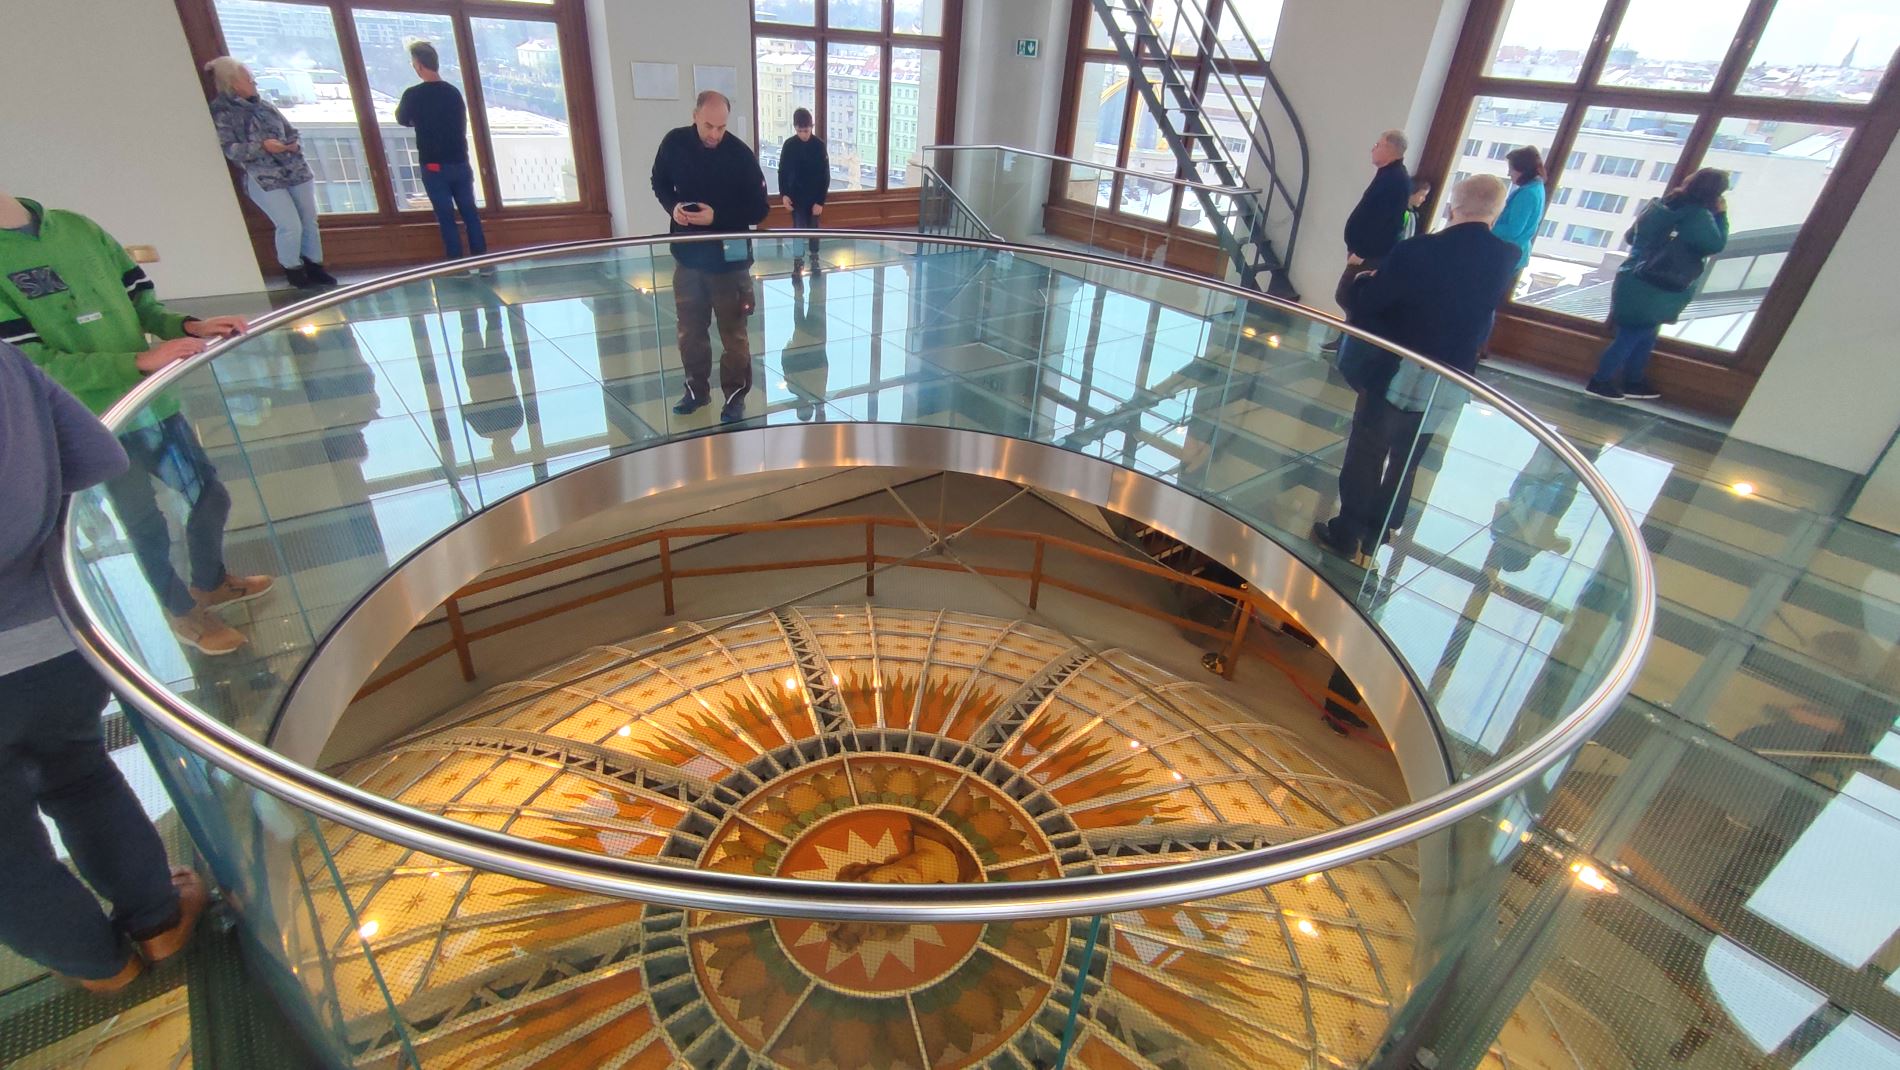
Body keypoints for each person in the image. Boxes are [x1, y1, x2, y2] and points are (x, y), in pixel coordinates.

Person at [0, 342, 208, 993]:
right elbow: (100, 458)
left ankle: (100, 964)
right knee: (80, 774)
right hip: (51, 634)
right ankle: (158, 922)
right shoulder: (5, 362)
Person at [0, 190, 271, 656]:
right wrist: (137, 362)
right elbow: (29, 363)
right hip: (94, 425)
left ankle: (210, 582)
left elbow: (140, 301)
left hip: (154, 406)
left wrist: (186, 326)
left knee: (208, 495)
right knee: (143, 524)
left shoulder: (78, 227)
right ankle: (180, 610)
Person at [1313, 175, 1519, 567]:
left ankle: (1347, 533)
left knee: (1367, 451)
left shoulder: (1417, 250)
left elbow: (1372, 304)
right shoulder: (1506, 256)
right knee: (1407, 459)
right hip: (1449, 378)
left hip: (1396, 370)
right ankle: (1380, 529)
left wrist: (1362, 281)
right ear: (1496, 211)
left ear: (1452, 205)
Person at [650, 90, 770, 424]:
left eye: (721, 127)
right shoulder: (674, 143)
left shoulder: (740, 155)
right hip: (688, 260)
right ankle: (696, 391)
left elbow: (759, 209)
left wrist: (716, 216)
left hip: (730, 265)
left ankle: (734, 398)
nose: (715, 134)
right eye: (708, 126)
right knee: (690, 332)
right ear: (694, 116)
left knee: (734, 336)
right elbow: (659, 181)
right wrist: (673, 207)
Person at [1588, 168, 1730, 402]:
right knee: (1633, 333)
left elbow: (1631, 237)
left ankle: (1633, 380)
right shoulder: (1697, 215)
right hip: (1659, 283)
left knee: (1645, 333)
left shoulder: (1660, 206)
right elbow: (1716, 244)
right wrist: (1721, 216)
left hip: (1633, 276)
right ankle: (1600, 380)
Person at [205, 57, 335, 291]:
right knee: (289, 224)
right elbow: (231, 149)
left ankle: (315, 266)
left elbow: (291, 131)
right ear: (233, 83)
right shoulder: (223, 113)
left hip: (295, 170)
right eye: (248, 79)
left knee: (308, 220)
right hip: (264, 177)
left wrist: (292, 144)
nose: (253, 82)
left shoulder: (265, 106)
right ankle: (293, 270)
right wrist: (262, 146)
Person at [1321, 129, 1411, 352]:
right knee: (1348, 296)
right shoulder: (1388, 175)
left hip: (1370, 253)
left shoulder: (1395, 179)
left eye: (1378, 145)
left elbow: (1384, 222)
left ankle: (1353, 342)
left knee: (1349, 295)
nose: (1373, 149)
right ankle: (1347, 339)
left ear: (1390, 148)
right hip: (1364, 250)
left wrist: (1362, 251)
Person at [398, 41, 487, 261]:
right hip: (460, 162)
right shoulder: (453, 93)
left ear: (418, 65)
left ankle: (457, 266)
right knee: (470, 214)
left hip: (434, 165)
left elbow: (402, 118)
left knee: (446, 218)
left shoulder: (413, 95)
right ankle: (483, 261)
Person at [778, 107, 830, 276]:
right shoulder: (789, 145)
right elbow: (782, 172)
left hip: (814, 197)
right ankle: (798, 260)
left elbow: (825, 176)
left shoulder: (819, 146)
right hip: (796, 197)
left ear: (811, 127)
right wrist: (784, 195)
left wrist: (820, 201)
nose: (803, 135)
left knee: (814, 229)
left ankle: (814, 258)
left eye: (806, 131)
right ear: (795, 128)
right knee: (798, 230)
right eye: (800, 131)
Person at [1492, 145, 1548, 296]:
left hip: (1509, 253)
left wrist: (1487, 226)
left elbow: (1513, 230)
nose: (1509, 173)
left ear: (1523, 169)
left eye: (1511, 169)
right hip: (1513, 252)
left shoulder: (1528, 194)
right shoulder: (1535, 188)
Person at [784, 265, 829, 421]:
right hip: (800, 340)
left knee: (817, 304)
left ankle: (815, 275)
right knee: (799, 309)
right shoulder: (792, 387)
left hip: (817, 341)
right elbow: (785, 363)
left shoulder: (818, 392)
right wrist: (790, 347)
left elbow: (824, 367)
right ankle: (799, 288)